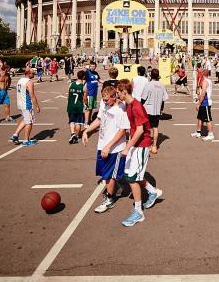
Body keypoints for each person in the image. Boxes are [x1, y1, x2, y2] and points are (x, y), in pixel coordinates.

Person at [116, 79, 162, 227]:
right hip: (135, 145)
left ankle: (138, 212)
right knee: (132, 175)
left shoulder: (136, 107)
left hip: (141, 146)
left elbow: (141, 130)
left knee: (132, 179)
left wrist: (128, 147)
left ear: (124, 92)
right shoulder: (129, 105)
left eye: (118, 93)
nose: (117, 95)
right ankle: (152, 191)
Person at [82, 84, 130, 214]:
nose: (104, 102)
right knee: (105, 174)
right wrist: (86, 131)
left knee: (109, 176)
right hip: (102, 146)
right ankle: (119, 184)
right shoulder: (104, 106)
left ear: (114, 97)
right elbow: (99, 120)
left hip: (114, 149)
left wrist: (108, 146)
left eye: (107, 99)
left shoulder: (121, 110)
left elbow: (122, 130)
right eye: (103, 99)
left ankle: (110, 199)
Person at [141, 68, 169, 154]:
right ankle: (155, 145)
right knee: (155, 127)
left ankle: (148, 145)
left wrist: (140, 107)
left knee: (147, 128)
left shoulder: (148, 85)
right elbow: (165, 98)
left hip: (148, 109)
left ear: (151, 75)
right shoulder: (162, 85)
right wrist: (161, 109)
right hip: (157, 109)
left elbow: (143, 98)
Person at [12, 68, 40, 146]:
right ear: (28, 74)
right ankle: (26, 140)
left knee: (25, 119)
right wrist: (37, 106)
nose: (34, 74)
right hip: (26, 104)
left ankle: (15, 134)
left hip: (20, 103)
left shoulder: (20, 80)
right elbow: (32, 95)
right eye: (32, 73)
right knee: (29, 122)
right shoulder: (29, 82)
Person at [192, 69, 214, 141]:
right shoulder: (208, 80)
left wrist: (199, 103)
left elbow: (204, 93)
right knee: (200, 118)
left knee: (208, 119)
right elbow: (202, 92)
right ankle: (198, 132)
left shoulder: (205, 81)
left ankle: (211, 134)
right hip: (203, 101)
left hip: (205, 103)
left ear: (203, 74)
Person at [67, 70, 86, 144]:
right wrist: (86, 104)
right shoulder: (83, 86)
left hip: (71, 105)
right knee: (78, 122)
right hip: (79, 106)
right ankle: (77, 136)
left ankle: (72, 134)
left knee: (71, 121)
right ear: (83, 77)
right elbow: (84, 98)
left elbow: (68, 96)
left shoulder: (71, 84)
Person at [84, 61, 101, 125]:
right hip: (89, 93)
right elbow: (83, 82)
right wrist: (83, 92)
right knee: (88, 108)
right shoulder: (87, 73)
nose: (92, 67)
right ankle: (86, 122)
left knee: (91, 108)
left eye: (94, 66)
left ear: (95, 67)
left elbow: (99, 80)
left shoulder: (96, 73)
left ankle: (89, 120)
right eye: (91, 66)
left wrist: (107, 82)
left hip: (94, 93)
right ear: (89, 66)